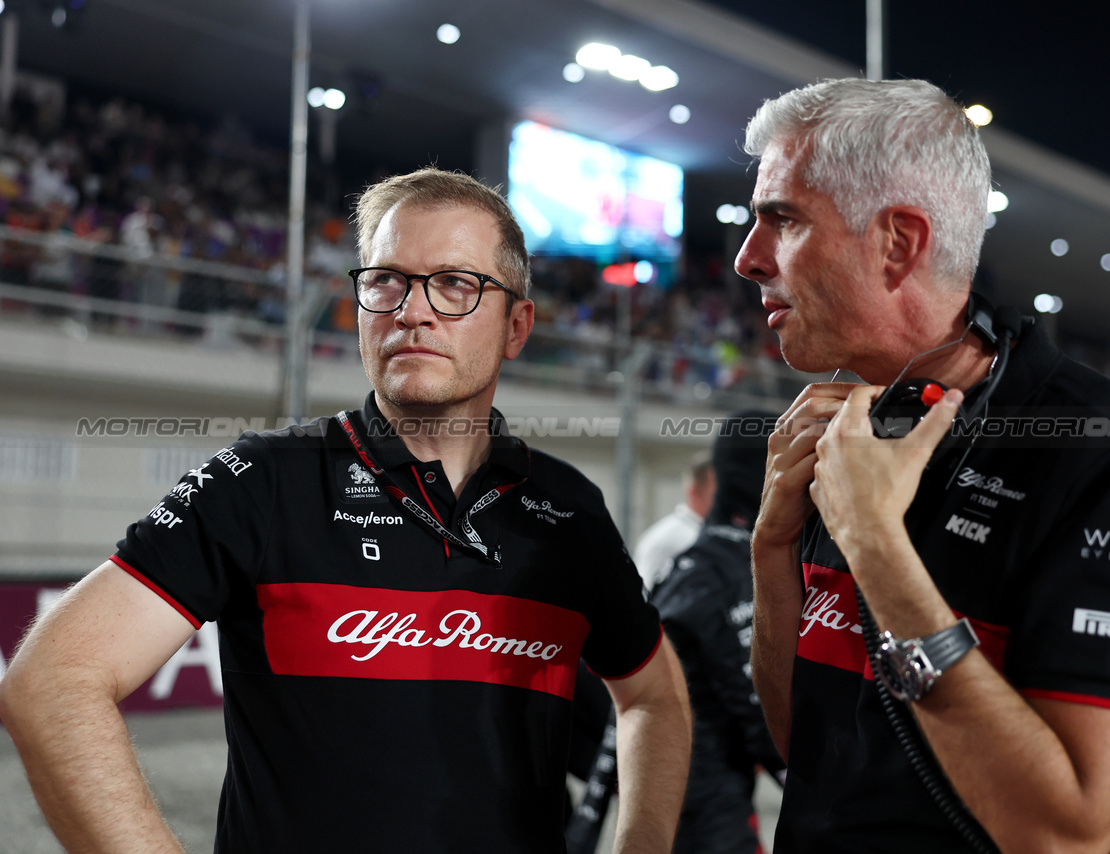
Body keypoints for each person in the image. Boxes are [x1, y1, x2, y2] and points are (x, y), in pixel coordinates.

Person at [0, 167, 692, 853]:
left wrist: (643, 842)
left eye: (455, 284)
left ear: (517, 326)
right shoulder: (264, 479)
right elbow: (53, 680)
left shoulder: (568, 510)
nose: (410, 310)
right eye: (386, 280)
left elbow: (654, 699)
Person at [735, 78, 1110, 853]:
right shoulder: (854, 427)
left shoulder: (1106, 451)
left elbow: (1066, 836)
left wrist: (877, 546)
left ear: (898, 243)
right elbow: (804, 749)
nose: (747, 259)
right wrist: (772, 549)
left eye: (781, 219)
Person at [649, 410, 786, 854]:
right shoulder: (721, 568)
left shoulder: (719, 556)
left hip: (698, 781)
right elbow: (753, 702)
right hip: (699, 790)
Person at [633, 451, 716, 593]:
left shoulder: (719, 533)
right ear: (694, 491)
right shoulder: (662, 539)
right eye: (716, 491)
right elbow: (644, 597)